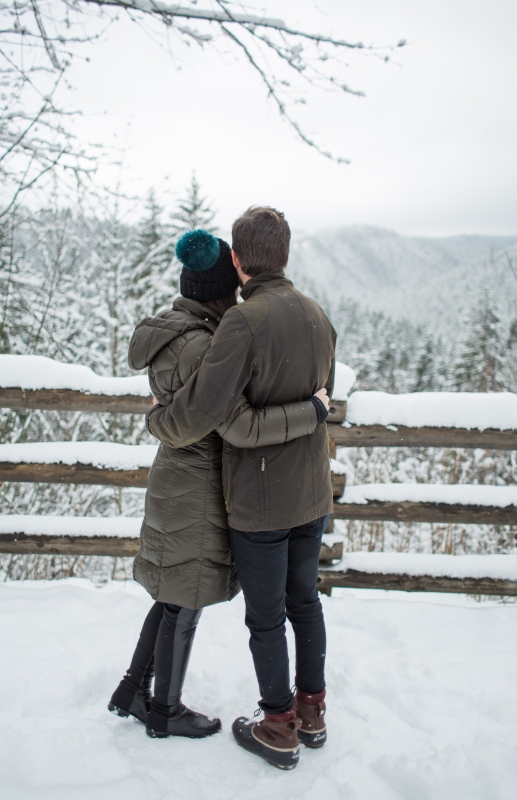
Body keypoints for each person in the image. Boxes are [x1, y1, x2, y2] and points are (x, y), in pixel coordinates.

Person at [108, 228, 330, 741]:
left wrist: (160, 423)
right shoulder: (207, 344)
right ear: (220, 289)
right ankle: (163, 709)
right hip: (199, 484)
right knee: (184, 595)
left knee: (171, 593)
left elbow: (187, 414)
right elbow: (227, 420)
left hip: (177, 477)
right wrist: (314, 408)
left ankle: (132, 688)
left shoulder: (175, 329)